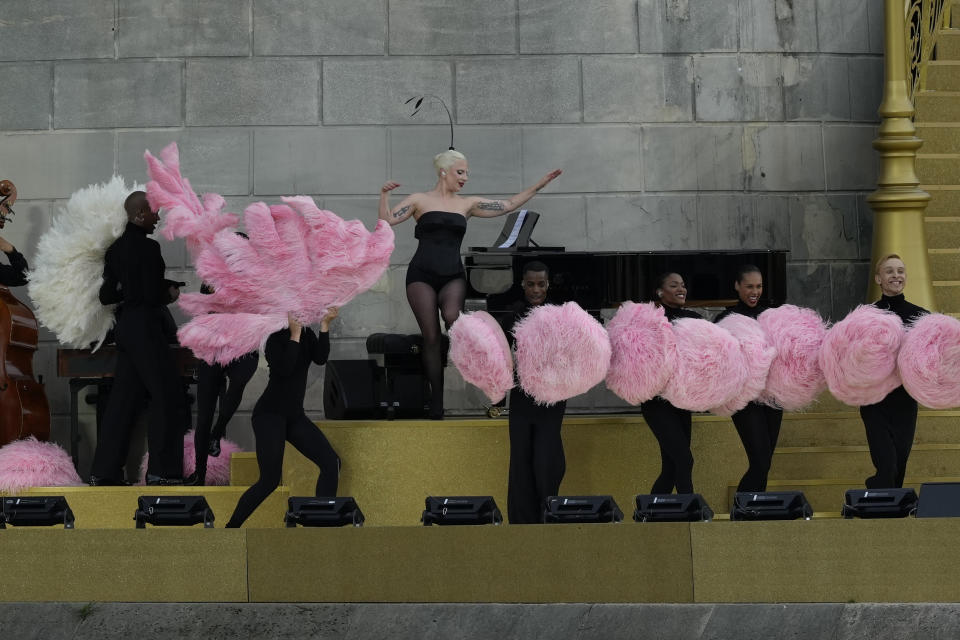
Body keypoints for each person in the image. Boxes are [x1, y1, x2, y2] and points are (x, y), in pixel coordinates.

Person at [379, 150, 561, 419]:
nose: (465, 178)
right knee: (431, 337)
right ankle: (437, 401)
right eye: (461, 172)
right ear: (444, 171)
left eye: (467, 173)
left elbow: (508, 205)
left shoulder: (468, 204)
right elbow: (388, 221)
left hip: (452, 274)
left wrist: (538, 186)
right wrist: (384, 195)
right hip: (421, 275)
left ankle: (491, 379)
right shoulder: (419, 200)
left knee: (454, 320)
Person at [88, 191, 186, 486]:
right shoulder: (149, 248)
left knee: (123, 400)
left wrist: (129, 291)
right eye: (155, 212)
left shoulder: (115, 250)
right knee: (167, 395)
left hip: (125, 329)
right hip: (145, 327)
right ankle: (162, 472)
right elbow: (148, 294)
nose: (158, 217)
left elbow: (106, 296)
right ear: (140, 213)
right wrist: (167, 292)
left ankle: (103, 473)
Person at [225, 308, 340, 528]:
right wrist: (294, 335)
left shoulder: (306, 334)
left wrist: (325, 325)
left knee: (331, 463)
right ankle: (231, 528)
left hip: (294, 417)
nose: (300, 315)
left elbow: (320, 358)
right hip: (269, 415)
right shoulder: (274, 339)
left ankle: (322, 526)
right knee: (269, 480)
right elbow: (286, 368)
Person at [499, 261, 567, 524]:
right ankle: (522, 520)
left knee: (546, 456)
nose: (536, 289)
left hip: (553, 396)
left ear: (548, 284)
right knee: (521, 457)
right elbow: (502, 359)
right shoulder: (512, 315)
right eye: (530, 284)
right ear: (522, 285)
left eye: (541, 284)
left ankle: (547, 512)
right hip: (522, 396)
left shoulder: (560, 315)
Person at [860, 254, 928, 489]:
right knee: (886, 465)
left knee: (899, 467)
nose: (896, 275)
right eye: (889, 271)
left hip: (905, 400)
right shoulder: (865, 316)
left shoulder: (921, 316)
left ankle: (891, 520)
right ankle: (876, 500)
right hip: (874, 400)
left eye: (900, 271)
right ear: (879, 278)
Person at [713, 265, 783, 492]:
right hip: (745, 399)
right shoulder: (725, 319)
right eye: (750, 286)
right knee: (760, 459)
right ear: (737, 286)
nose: (755, 291)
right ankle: (742, 509)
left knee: (765, 463)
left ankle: (754, 510)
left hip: (772, 396)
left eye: (759, 286)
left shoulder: (770, 316)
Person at [189, 281, 259, 486]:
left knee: (239, 380)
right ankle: (199, 475)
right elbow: (203, 293)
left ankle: (217, 433)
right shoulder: (215, 265)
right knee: (204, 415)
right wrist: (212, 291)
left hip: (242, 343)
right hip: (214, 343)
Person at [640, 273, 701, 495]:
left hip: (681, 401)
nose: (681, 289)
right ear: (659, 292)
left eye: (683, 285)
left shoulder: (693, 318)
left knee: (671, 467)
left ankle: (651, 515)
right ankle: (691, 511)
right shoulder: (649, 320)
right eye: (673, 285)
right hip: (656, 402)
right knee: (685, 460)